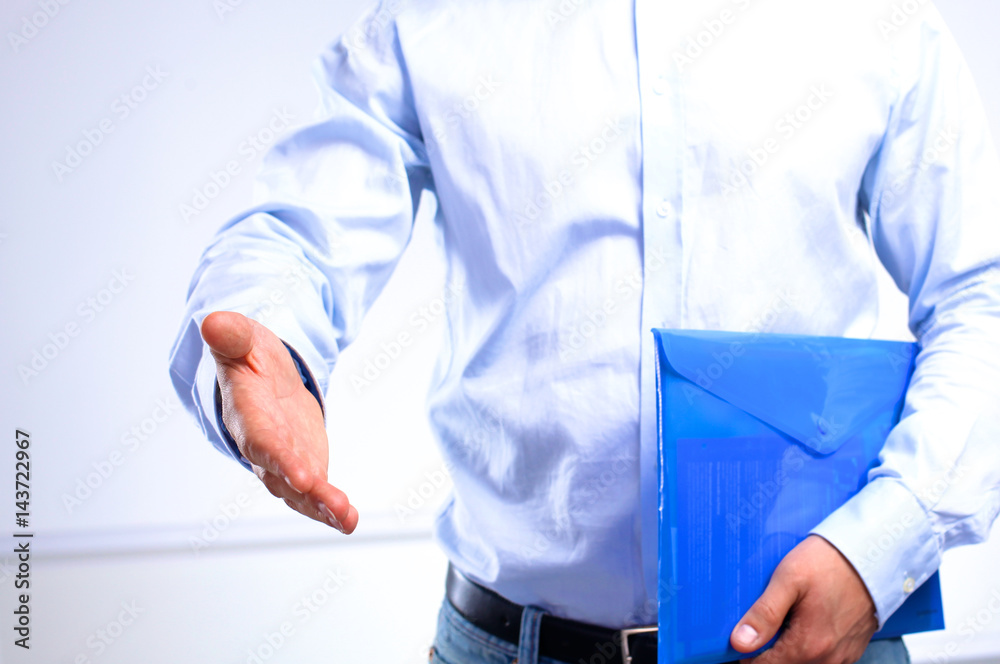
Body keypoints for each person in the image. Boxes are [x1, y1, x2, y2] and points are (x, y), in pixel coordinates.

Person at [169, 1, 1000, 663]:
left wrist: (885, 541)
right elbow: (296, 236)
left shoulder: (879, 16)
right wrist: (266, 344)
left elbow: (982, 295)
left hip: (821, 639)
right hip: (505, 645)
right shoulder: (427, 21)